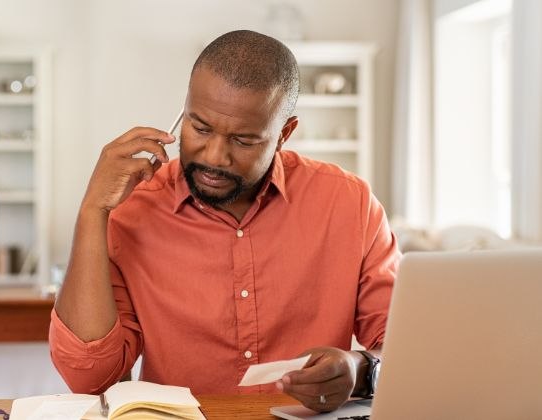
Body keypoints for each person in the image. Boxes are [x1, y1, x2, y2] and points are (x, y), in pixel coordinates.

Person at [50, 29, 400, 413]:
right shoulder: (133, 209)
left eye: (244, 140)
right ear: (183, 110)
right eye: (200, 127)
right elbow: (89, 379)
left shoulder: (350, 204)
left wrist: (360, 367)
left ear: (284, 134)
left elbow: (405, 350)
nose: (215, 156)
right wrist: (92, 211)